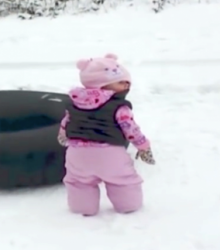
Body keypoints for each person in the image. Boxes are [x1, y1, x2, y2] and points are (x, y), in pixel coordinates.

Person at [57, 53, 155, 216]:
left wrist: (63, 135)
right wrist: (143, 146)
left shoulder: (74, 103)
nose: (126, 86)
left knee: (79, 182)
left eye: (127, 82)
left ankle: (83, 207)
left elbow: (66, 122)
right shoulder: (118, 106)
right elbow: (130, 128)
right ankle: (128, 205)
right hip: (109, 154)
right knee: (123, 180)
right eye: (120, 82)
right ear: (102, 84)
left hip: (77, 153)